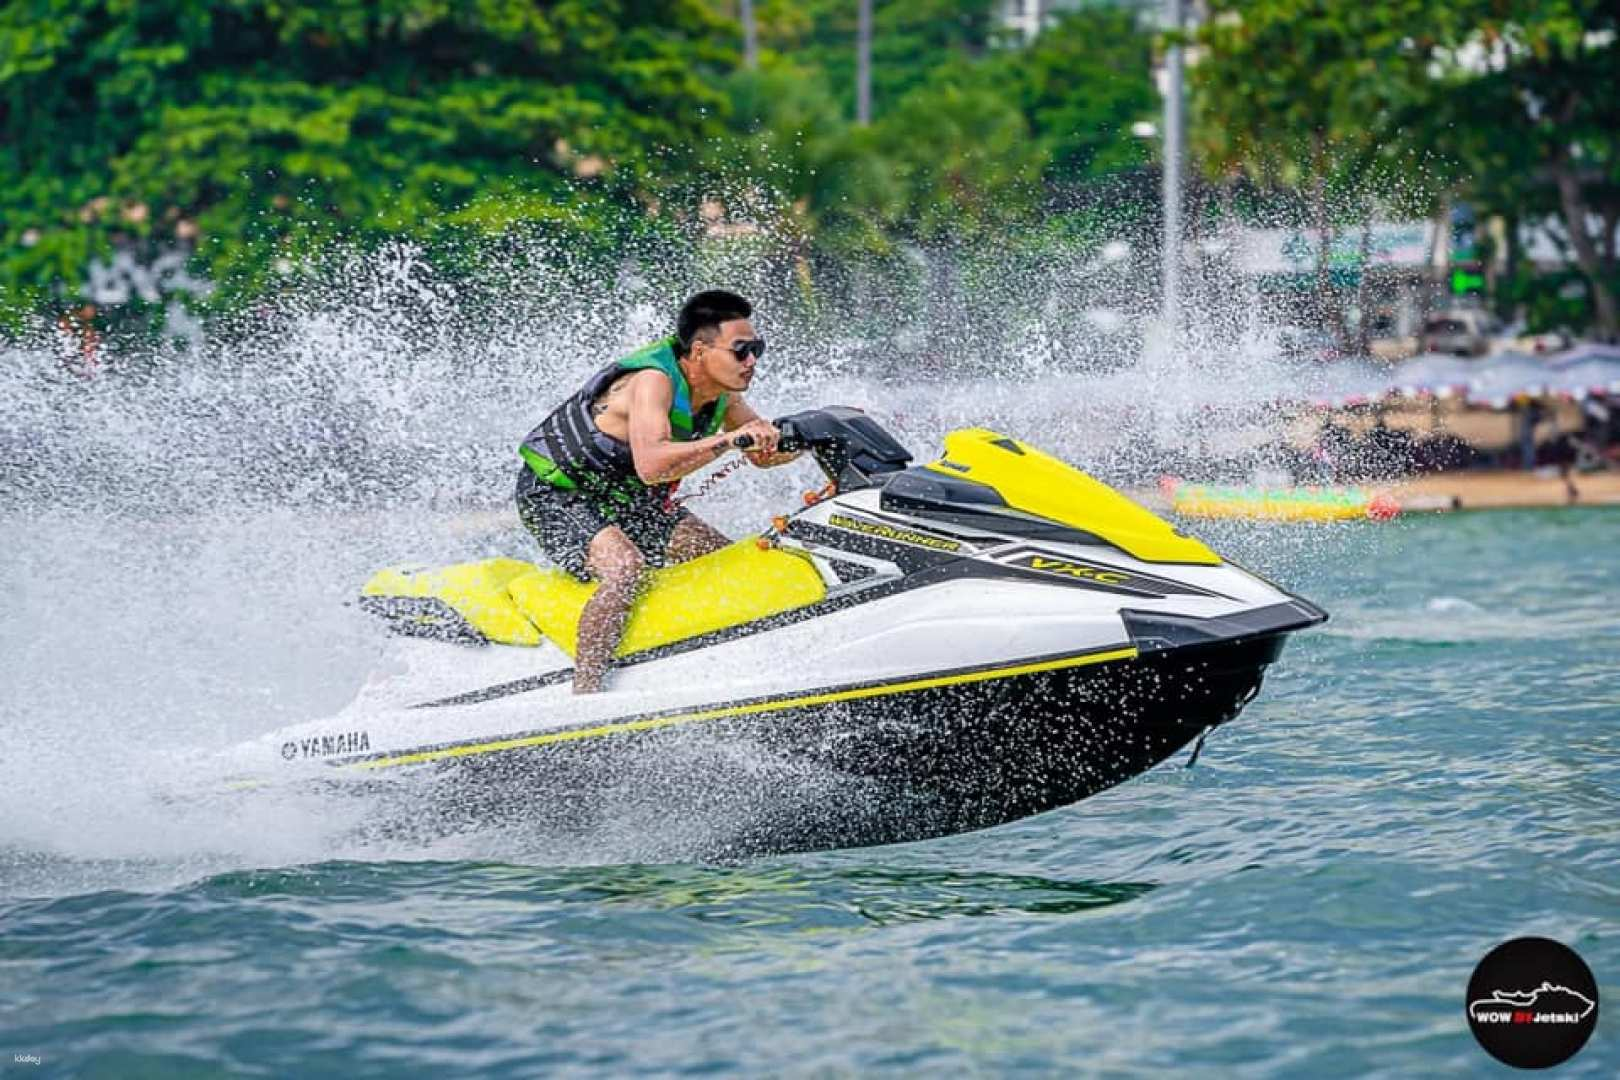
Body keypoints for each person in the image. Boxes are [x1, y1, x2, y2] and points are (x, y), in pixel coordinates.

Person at [515, 290, 800, 693]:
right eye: (742, 351)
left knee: (722, 560)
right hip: (557, 494)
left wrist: (810, 438)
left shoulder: (724, 395)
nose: (752, 361)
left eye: (758, 349)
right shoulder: (653, 382)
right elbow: (652, 466)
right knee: (626, 569)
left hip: (627, 498)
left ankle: (711, 662)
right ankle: (584, 695)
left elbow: (762, 454)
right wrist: (734, 440)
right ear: (700, 350)